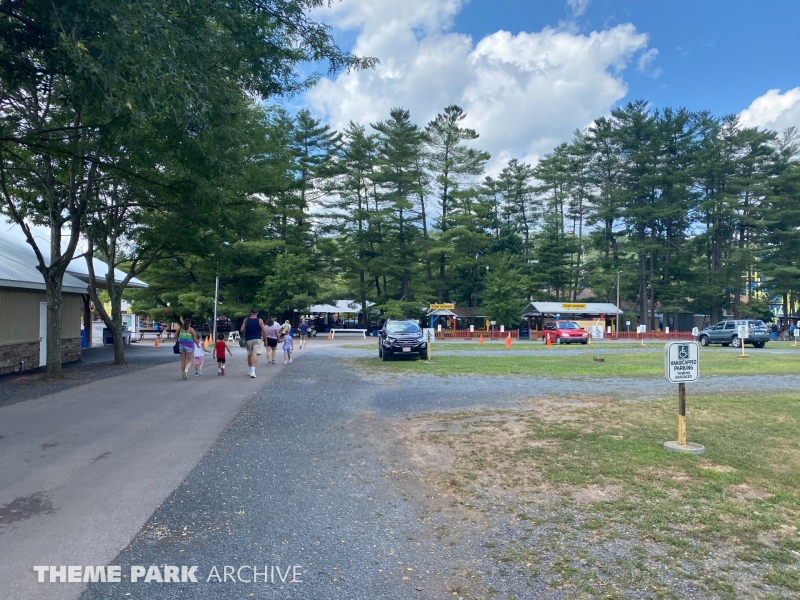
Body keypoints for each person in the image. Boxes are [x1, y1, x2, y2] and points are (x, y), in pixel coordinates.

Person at [240, 308, 266, 378]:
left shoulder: (246, 320)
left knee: (249, 354)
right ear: (257, 313)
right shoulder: (260, 320)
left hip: (248, 339)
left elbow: (242, 330)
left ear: (250, 313)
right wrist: (265, 340)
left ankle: (250, 370)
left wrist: (245, 331)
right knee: (255, 354)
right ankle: (253, 371)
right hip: (257, 338)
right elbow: (264, 331)